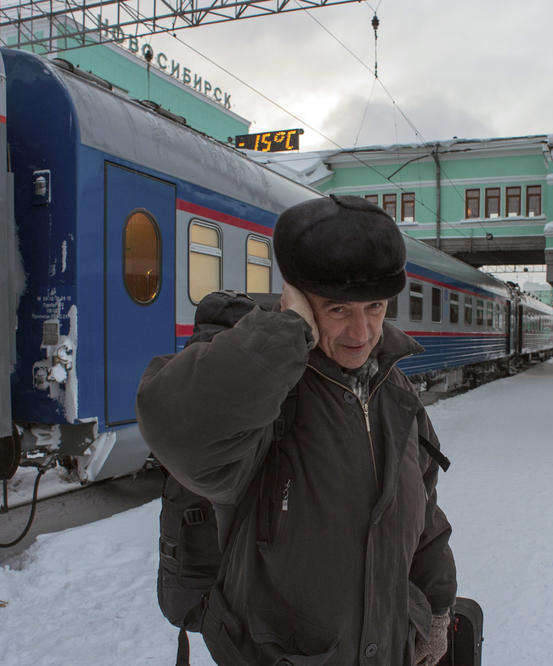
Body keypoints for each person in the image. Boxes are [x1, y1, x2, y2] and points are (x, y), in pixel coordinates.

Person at [137, 195, 457, 665]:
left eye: (374, 307)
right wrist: (286, 332)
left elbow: (422, 512)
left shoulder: (395, 392)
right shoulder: (269, 391)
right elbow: (183, 435)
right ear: (300, 300)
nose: (362, 332)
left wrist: (438, 608)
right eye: (338, 310)